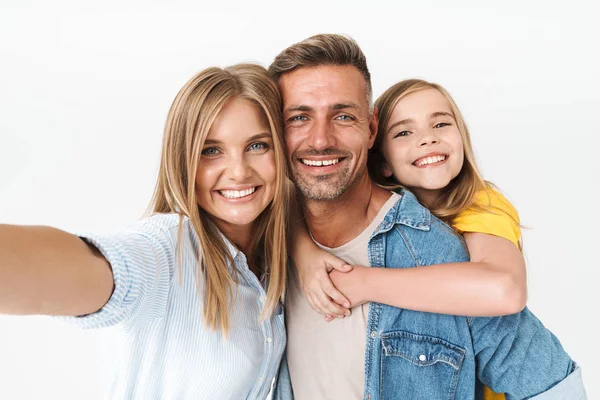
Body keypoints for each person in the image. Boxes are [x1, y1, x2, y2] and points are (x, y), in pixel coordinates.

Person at [269, 33, 586, 400]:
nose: (320, 139)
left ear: (370, 129)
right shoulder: (262, 240)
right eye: (298, 118)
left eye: (342, 115)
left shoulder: (448, 248)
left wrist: (360, 282)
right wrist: (299, 247)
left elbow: (555, 386)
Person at [0, 64, 290, 400]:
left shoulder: (271, 261)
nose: (239, 172)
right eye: (211, 151)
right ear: (183, 161)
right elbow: (88, 269)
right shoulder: (166, 250)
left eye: (258, 146)